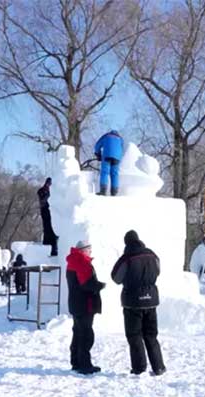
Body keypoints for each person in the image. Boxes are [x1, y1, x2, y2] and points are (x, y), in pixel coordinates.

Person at [111, 230, 166, 376]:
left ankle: (139, 368)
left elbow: (116, 277)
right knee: (151, 335)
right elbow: (158, 270)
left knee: (134, 336)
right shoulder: (152, 254)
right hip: (151, 300)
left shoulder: (126, 258)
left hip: (133, 302)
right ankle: (158, 366)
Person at [66, 241, 106, 375]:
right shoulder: (81, 262)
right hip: (85, 304)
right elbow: (87, 284)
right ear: (83, 250)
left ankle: (76, 362)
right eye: (89, 249)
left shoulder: (73, 261)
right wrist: (100, 285)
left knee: (78, 333)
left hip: (76, 303)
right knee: (85, 334)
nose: (90, 251)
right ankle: (84, 364)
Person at [94, 130, 124, 196]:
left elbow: (97, 145)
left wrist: (98, 154)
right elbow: (122, 148)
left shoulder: (106, 136)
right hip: (117, 158)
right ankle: (114, 192)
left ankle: (103, 191)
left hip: (107, 156)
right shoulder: (120, 139)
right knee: (114, 174)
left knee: (105, 172)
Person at [37, 178, 59, 256]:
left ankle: (55, 249)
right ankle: (48, 248)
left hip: (53, 213)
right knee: (47, 230)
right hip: (45, 212)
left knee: (54, 231)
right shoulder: (41, 191)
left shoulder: (55, 191)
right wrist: (49, 194)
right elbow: (42, 201)